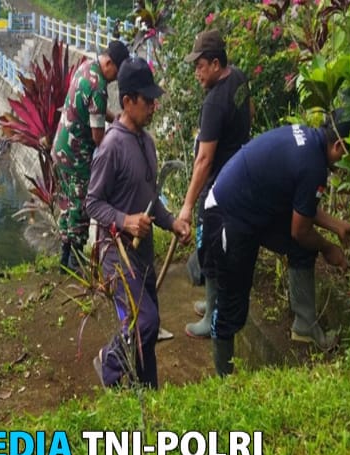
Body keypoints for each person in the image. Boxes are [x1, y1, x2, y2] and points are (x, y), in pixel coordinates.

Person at [204, 111, 350, 375]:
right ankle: (223, 382)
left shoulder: (309, 141)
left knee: (302, 247)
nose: (348, 166)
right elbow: (300, 230)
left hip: (253, 207)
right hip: (228, 215)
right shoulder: (313, 165)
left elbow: (302, 207)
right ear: (339, 146)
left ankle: (305, 326)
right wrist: (328, 247)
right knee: (232, 306)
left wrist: (337, 226)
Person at [86, 57, 192, 388]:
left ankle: (147, 389)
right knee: (144, 321)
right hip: (117, 256)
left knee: (147, 326)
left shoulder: (146, 142)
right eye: (147, 100)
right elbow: (92, 203)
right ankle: (109, 362)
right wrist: (125, 221)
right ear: (128, 101)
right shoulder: (111, 147)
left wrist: (172, 223)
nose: (153, 106)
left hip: (142, 254)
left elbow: (151, 200)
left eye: (153, 99)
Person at [178, 30, 252, 338]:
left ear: (216, 64)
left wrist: (187, 205)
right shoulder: (239, 78)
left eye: (200, 66)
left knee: (209, 248)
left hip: (216, 189)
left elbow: (204, 160)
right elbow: (250, 111)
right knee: (220, 247)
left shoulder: (214, 103)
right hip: (238, 179)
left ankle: (211, 318)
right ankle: (212, 304)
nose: (197, 73)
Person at [52, 39, 130, 273]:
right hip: (77, 157)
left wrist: (115, 119)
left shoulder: (86, 68)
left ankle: (64, 258)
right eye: (117, 72)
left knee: (67, 206)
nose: (116, 78)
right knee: (81, 207)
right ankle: (75, 261)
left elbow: (96, 110)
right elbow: (98, 138)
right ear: (109, 63)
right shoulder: (99, 88)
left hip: (61, 149)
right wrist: (119, 148)